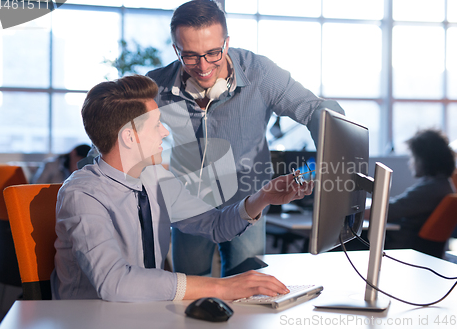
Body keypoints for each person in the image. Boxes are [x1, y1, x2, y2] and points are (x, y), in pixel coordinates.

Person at [50, 75, 313, 302]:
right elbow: (114, 282)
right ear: (129, 137)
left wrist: (263, 197)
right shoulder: (82, 194)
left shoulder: (154, 178)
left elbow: (215, 225)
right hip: (90, 319)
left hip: (146, 312)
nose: (165, 132)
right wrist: (221, 287)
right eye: (156, 125)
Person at [146, 0, 344, 277]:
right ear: (175, 49)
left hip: (250, 200)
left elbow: (314, 109)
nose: (203, 67)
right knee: (189, 293)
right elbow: (118, 131)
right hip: (190, 206)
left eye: (213, 53)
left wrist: (336, 152)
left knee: (248, 290)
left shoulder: (261, 74)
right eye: (189, 55)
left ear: (227, 43)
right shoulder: (158, 85)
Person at [382, 129, 456, 249]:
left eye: (413, 157)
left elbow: (385, 212)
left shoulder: (431, 190)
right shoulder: (442, 185)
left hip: (401, 247)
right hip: (409, 245)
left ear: (425, 160)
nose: (411, 163)